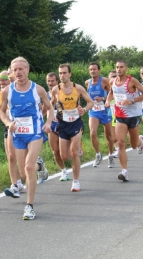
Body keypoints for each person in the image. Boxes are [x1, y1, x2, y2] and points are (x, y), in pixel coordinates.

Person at [0, 56, 53, 220]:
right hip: (18, 135)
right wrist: (8, 123)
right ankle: (40, 165)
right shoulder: (7, 91)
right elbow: (1, 111)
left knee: (28, 168)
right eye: (15, 70)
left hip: (35, 132)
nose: (18, 72)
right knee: (24, 172)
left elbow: (50, 108)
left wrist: (49, 123)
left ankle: (29, 206)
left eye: (21, 69)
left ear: (28, 70)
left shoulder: (38, 90)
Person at [50, 63, 94, 191]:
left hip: (76, 123)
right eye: (60, 73)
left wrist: (84, 109)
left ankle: (76, 181)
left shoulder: (78, 88)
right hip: (62, 124)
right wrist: (49, 116)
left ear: (70, 74)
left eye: (64, 73)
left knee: (73, 152)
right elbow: (51, 105)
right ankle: (76, 149)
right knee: (64, 156)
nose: (62, 75)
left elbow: (91, 102)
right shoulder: (56, 90)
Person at [105, 60, 143, 182]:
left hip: (133, 115)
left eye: (121, 67)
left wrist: (132, 101)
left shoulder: (132, 81)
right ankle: (124, 171)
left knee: (133, 145)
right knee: (121, 142)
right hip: (120, 116)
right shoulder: (113, 81)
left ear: (126, 68)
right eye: (117, 67)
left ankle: (140, 141)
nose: (119, 69)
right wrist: (108, 101)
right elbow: (111, 93)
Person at [0, 71, 25, 198]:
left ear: (10, 80)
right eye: (0, 81)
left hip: (22, 126)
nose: (2, 83)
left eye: (4, 80)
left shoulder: (16, 91)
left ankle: (38, 164)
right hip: (8, 126)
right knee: (11, 157)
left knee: (23, 160)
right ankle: (16, 185)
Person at [85, 62, 115, 168]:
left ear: (99, 70)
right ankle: (98, 154)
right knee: (93, 133)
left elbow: (113, 94)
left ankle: (111, 155)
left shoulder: (105, 81)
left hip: (105, 111)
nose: (93, 71)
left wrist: (102, 99)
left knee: (109, 136)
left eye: (94, 69)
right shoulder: (87, 83)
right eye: (91, 69)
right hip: (93, 111)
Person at [45, 72, 68, 180]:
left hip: (64, 124)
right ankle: (63, 171)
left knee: (66, 153)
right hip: (52, 125)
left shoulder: (62, 92)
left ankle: (77, 147)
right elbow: (43, 111)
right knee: (55, 151)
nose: (50, 83)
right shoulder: (44, 95)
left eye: (52, 81)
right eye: (48, 81)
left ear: (57, 81)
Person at [108, 70, 119, 158]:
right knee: (113, 134)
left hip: (120, 112)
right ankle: (118, 149)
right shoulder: (105, 87)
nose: (114, 78)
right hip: (109, 113)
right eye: (112, 76)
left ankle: (139, 139)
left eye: (115, 76)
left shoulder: (119, 87)